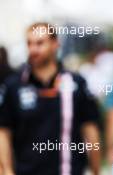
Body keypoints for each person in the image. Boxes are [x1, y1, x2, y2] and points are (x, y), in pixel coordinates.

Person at [0, 22, 101, 175]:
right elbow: (3, 132)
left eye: (40, 43)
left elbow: (90, 129)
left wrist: (96, 170)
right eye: (29, 43)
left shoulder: (76, 83)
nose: (33, 49)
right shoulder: (13, 86)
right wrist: (6, 170)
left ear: (55, 44)